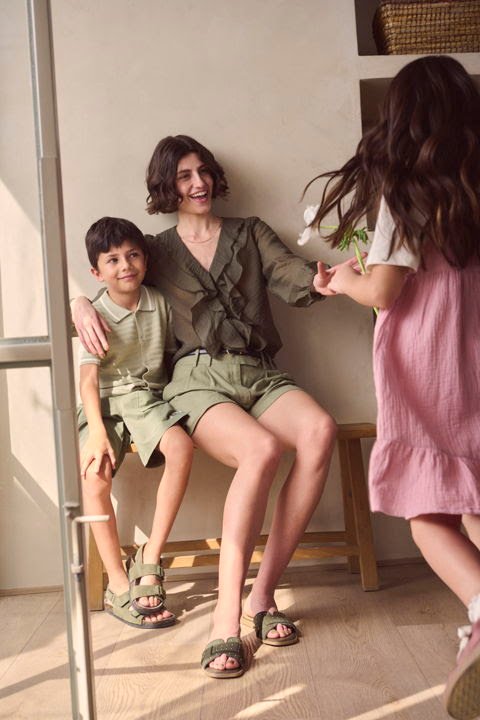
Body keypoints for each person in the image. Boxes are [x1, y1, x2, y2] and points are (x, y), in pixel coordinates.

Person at [73, 135, 339, 678]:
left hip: (260, 371)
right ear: (166, 187)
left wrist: (320, 278)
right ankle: (224, 620)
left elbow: (290, 272)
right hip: (197, 379)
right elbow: (109, 278)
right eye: (184, 176)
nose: (198, 184)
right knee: (261, 451)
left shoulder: (250, 232)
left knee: (320, 430)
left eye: (203, 172)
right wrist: (78, 301)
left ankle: (261, 598)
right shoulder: (154, 250)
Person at [310, 55, 480, 720]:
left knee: (427, 512)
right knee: (473, 491)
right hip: (474, 353)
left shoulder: (405, 195)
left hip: (427, 364)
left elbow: (384, 291)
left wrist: (342, 280)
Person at [78, 216, 193, 629]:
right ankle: (117, 581)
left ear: (145, 258)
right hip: (105, 404)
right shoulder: (94, 313)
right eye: (112, 260)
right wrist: (96, 432)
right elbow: (88, 380)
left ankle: (149, 556)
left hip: (147, 400)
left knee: (181, 446)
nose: (125, 266)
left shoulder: (159, 302)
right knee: (93, 478)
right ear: (97, 272)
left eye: (133, 255)